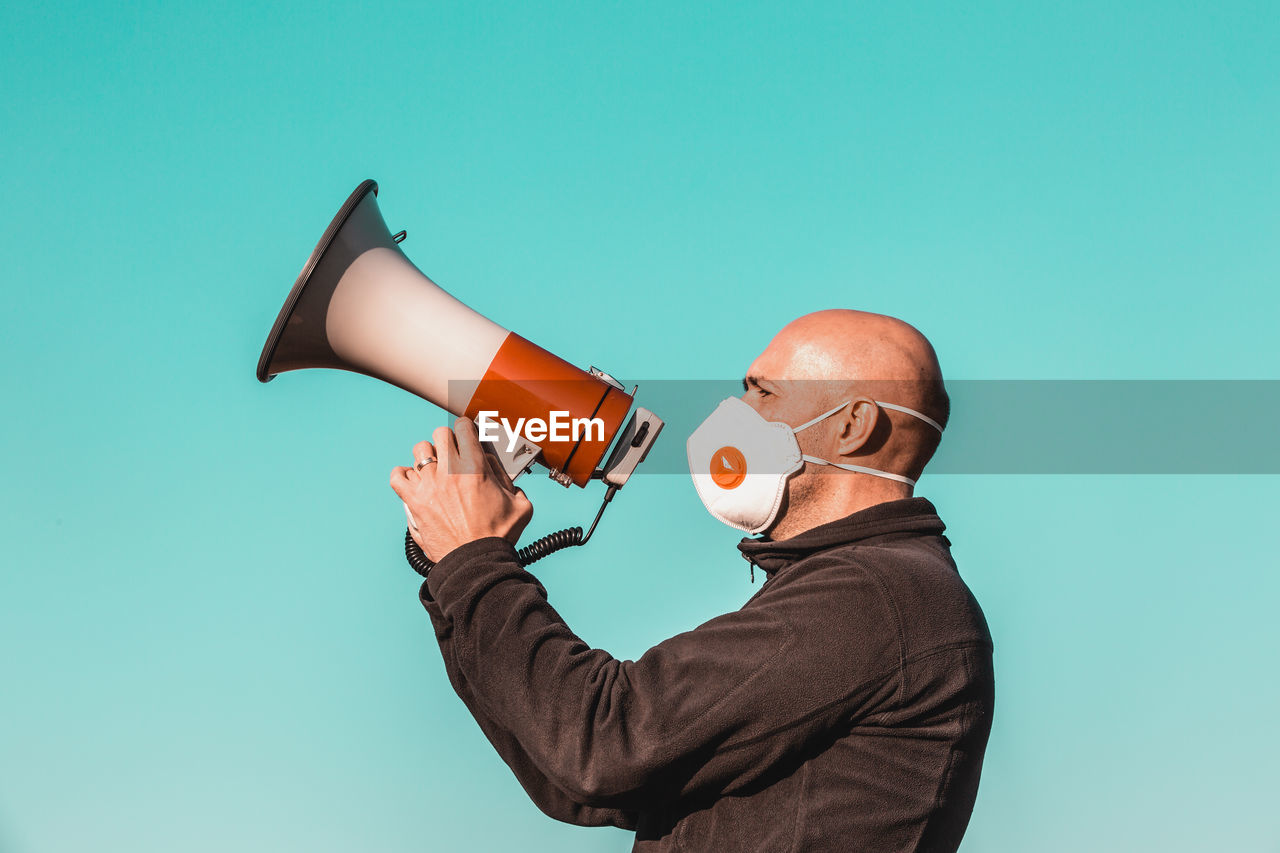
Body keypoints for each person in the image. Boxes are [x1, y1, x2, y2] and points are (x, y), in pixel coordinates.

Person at [390, 310, 994, 852]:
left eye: (763, 393)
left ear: (853, 426)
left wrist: (477, 561)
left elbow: (604, 743)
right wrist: (456, 568)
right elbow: (575, 779)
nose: (735, 413)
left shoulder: (875, 594)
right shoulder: (862, 590)